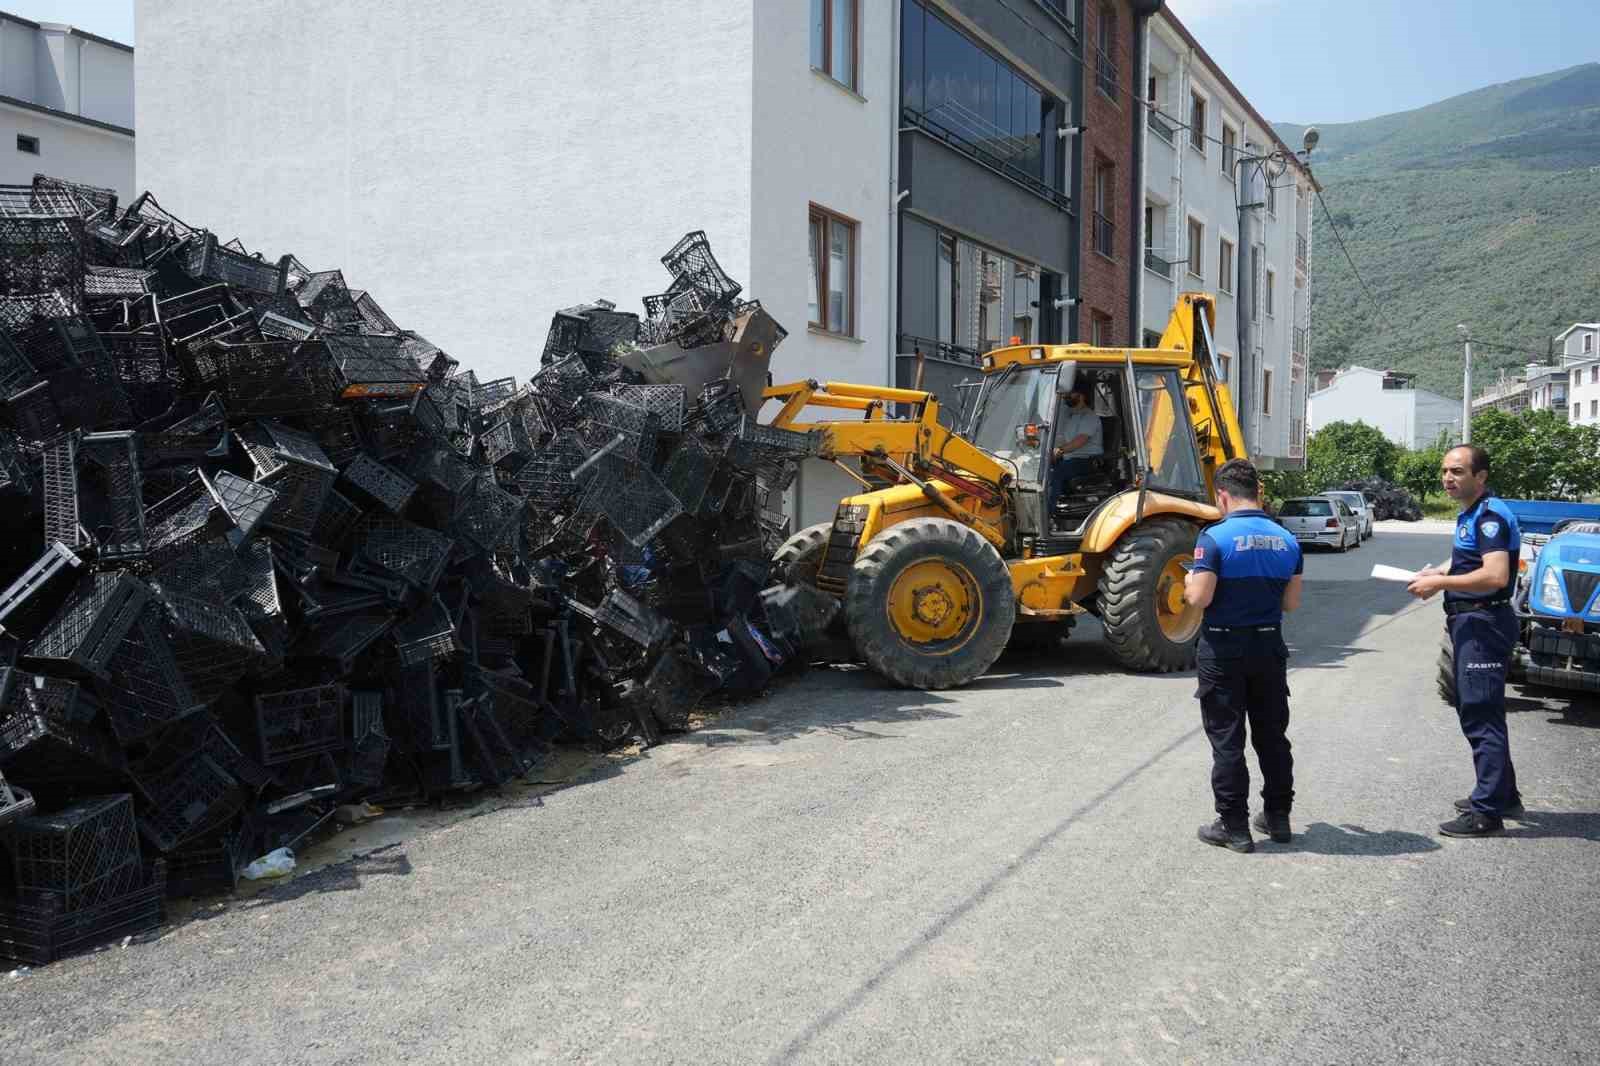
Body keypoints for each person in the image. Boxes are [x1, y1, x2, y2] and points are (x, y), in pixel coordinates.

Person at [1183, 458, 1304, 853]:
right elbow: (1291, 604)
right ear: (1258, 493)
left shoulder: (1214, 538)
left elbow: (1199, 598)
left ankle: (1234, 827)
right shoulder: (1287, 539)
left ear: (1222, 495)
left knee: (1227, 739)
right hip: (1269, 646)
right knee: (1272, 736)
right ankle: (1278, 817)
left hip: (1223, 647)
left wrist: (1189, 584)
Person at [1406, 444, 1522, 837]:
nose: (1447, 478)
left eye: (1457, 471)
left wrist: (1439, 583)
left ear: (1481, 477)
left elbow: (1495, 576)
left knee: (1480, 712)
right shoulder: (1471, 514)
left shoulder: (1490, 517)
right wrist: (1435, 572)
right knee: (1480, 710)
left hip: (1484, 622)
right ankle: (1502, 793)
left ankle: (1487, 812)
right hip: (1470, 621)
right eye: (1445, 471)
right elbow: (1465, 561)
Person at [1049, 385, 1103, 504]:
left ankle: (1048, 511)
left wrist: (1060, 451)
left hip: (1087, 461)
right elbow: (1063, 438)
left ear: (1081, 396)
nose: (1066, 397)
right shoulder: (1071, 415)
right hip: (1071, 459)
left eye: (1070, 394)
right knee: (1043, 468)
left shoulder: (1089, 416)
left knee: (1057, 472)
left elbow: (1080, 440)